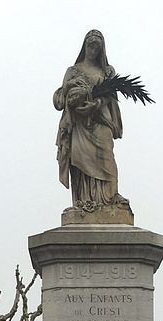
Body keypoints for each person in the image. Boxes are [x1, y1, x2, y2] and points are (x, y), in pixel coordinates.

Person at [53, 30, 129, 210]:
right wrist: (72, 94)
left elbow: (111, 97)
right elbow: (60, 100)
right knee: (80, 161)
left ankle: (110, 198)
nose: (93, 50)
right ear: (85, 46)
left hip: (101, 120)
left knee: (107, 158)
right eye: (91, 46)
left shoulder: (107, 71)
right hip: (79, 124)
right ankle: (84, 201)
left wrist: (96, 103)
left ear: (102, 49)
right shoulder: (73, 71)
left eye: (97, 47)